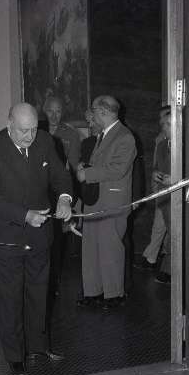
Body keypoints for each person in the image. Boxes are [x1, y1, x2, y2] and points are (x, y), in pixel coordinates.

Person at [0, 103, 73, 375]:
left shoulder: (45, 141)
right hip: (6, 237)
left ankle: (38, 347)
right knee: (9, 298)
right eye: (23, 131)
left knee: (39, 293)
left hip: (40, 236)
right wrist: (25, 215)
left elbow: (60, 176)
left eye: (33, 129)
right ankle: (15, 356)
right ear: (9, 124)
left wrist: (65, 198)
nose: (30, 136)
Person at [76, 95, 137, 310]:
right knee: (90, 248)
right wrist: (85, 167)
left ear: (103, 111)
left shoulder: (125, 136)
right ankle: (93, 291)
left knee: (110, 248)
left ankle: (114, 294)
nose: (91, 115)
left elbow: (117, 169)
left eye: (93, 110)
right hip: (94, 199)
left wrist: (87, 174)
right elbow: (100, 164)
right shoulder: (103, 135)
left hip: (113, 201)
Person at [41, 96, 81, 299]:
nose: (54, 115)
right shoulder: (36, 130)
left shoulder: (71, 134)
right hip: (37, 191)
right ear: (44, 110)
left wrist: (68, 199)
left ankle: (53, 280)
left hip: (58, 193)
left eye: (58, 111)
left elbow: (71, 169)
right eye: (51, 111)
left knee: (56, 239)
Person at [134, 105, 170, 270]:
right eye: (161, 120)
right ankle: (153, 258)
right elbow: (157, 164)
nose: (161, 122)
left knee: (161, 225)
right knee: (160, 225)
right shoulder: (161, 140)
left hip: (170, 191)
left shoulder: (174, 140)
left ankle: (153, 258)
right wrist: (155, 179)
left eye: (165, 119)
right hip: (161, 188)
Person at [152, 107, 172, 284]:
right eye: (163, 124)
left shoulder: (186, 145)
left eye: (167, 124)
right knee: (169, 230)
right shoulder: (161, 146)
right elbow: (156, 167)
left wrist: (176, 178)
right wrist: (155, 174)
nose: (164, 127)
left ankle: (170, 269)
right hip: (165, 197)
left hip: (180, 197)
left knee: (175, 233)